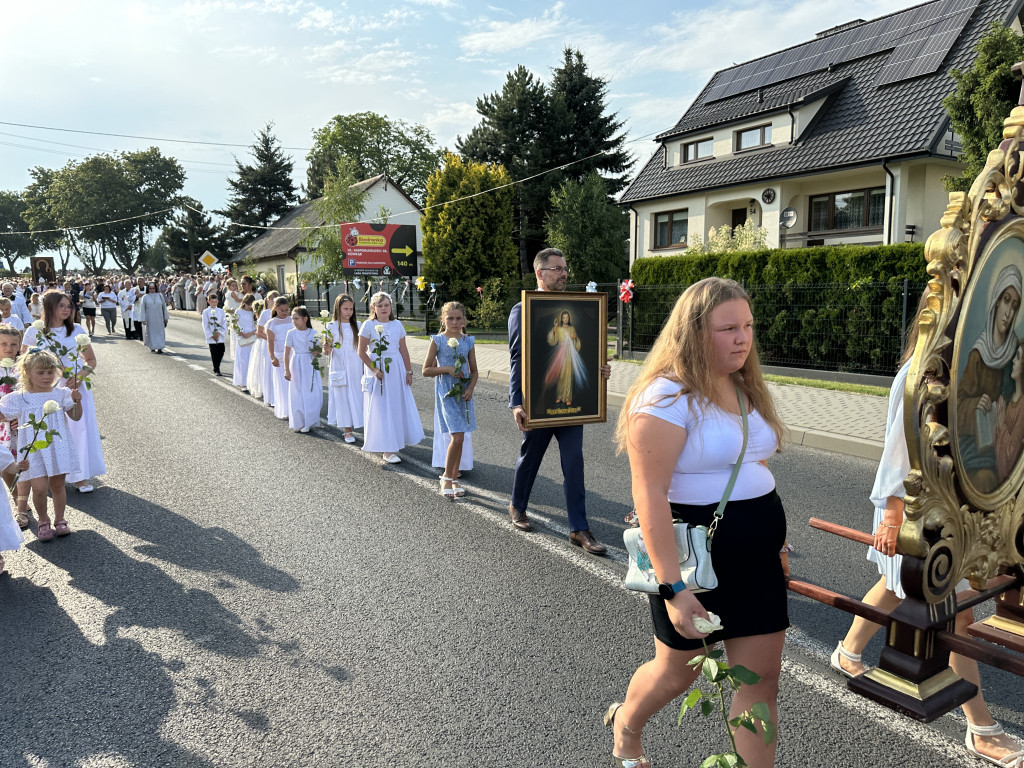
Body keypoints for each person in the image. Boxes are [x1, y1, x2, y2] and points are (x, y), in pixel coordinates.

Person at [833, 298, 1024, 768]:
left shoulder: (979, 372)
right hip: (923, 513)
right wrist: (896, 521)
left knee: (898, 586)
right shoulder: (917, 377)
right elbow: (899, 456)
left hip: (963, 511)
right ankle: (981, 728)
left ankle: (847, 650)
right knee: (953, 615)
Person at [605, 277, 787, 768]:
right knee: (676, 673)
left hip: (757, 562)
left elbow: (752, 465)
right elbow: (649, 495)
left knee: (760, 683)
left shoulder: (744, 387)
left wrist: (776, 544)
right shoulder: (665, 397)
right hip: (693, 561)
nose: (743, 338)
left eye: (747, 326)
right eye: (728, 328)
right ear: (693, 334)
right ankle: (627, 726)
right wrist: (673, 588)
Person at [507, 247, 611, 554]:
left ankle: (579, 529)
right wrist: (516, 402)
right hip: (538, 404)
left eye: (565, 268)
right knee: (531, 458)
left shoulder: (579, 307)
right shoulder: (523, 309)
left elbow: (586, 349)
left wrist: (599, 370)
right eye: (558, 269)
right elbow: (517, 359)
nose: (565, 273)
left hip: (573, 404)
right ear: (541, 273)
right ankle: (517, 505)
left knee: (574, 464)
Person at [23, 291, 106, 493]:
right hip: (46, 389)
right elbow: (24, 363)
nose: (67, 309)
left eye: (69, 306)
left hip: (75, 387)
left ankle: (80, 476)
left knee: (78, 430)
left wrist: (79, 377)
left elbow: (91, 361)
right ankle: (53, 476)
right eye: (62, 305)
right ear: (49, 307)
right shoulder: (35, 331)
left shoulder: (77, 329)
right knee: (50, 431)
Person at [0, 349, 83, 541]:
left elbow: (76, 417)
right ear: (27, 372)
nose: (46, 376)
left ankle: (60, 520)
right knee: (38, 488)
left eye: (50, 371)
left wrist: (77, 401)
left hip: (57, 446)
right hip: (34, 450)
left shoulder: (61, 394)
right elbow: (3, 414)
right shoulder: (19, 397)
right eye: (41, 372)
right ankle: (43, 520)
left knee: (57, 484)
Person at [956, 264, 1022, 493]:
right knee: (983, 480)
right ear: (996, 301)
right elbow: (958, 404)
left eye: (1015, 306)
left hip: (1007, 445)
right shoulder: (978, 354)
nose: (1008, 312)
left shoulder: (1017, 353)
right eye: (1006, 300)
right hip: (977, 447)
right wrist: (977, 405)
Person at [357, 291, 423, 463]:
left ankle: (397, 439)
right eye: (380, 305)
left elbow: (403, 350)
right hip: (378, 368)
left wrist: (408, 371)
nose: (384, 308)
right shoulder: (368, 325)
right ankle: (386, 448)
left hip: (396, 368)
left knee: (395, 404)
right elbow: (361, 351)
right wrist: (374, 369)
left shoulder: (397, 325)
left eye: (386, 305)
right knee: (381, 405)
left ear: (390, 306)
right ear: (373, 308)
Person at [422, 301, 477, 499]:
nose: (454, 322)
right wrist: (446, 369)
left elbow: (474, 370)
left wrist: (470, 387)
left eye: (458, 318)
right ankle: (446, 476)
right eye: (450, 318)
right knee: (457, 436)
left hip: (463, 394)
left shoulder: (468, 341)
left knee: (460, 437)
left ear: (464, 320)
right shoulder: (437, 340)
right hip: (446, 392)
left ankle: (453, 478)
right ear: (443, 320)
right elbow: (426, 370)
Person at [324, 294, 363, 443]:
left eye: (351, 309)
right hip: (339, 365)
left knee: (359, 395)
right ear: (338, 309)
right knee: (343, 397)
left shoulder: (358, 325)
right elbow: (327, 351)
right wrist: (326, 348)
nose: (348, 312)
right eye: (345, 309)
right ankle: (347, 430)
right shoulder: (332, 326)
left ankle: (365, 425)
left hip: (356, 365)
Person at [283, 306, 321, 433]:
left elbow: (317, 352)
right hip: (297, 363)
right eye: (292, 318)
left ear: (305, 319)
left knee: (311, 391)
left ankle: (309, 420)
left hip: (310, 363)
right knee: (297, 392)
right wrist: (286, 370)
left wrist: (317, 350)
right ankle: (299, 421)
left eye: (296, 318)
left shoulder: (313, 333)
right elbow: (286, 353)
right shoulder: (291, 333)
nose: (293, 321)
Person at [266, 297, 293, 420]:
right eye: (282, 310)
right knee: (282, 383)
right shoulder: (272, 323)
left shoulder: (292, 320)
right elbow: (270, 341)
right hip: (279, 353)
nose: (284, 312)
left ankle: (295, 408)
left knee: (294, 381)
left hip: (292, 353)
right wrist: (272, 356)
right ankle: (285, 409)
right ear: (276, 309)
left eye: (286, 310)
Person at [257, 291, 280, 408]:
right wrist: (271, 339)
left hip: (280, 347)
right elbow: (259, 332)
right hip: (268, 346)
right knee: (270, 371)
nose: (273, 300)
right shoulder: (265, 314)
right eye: (271, 299)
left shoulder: (283, 314)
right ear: (267, 300)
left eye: (275, 298)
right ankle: (271, 397)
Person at [232, 294, 258, 390]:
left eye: (251, 305)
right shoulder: (238, 311)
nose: (250, 307)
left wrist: (251, 333)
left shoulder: (254, 313)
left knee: (252, 360)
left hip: (252, 337)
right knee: (243, 361)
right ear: (244, 303)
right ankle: (243, 382)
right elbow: (233, 324)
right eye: (248, 304)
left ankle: (252, 382)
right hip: (242, 338)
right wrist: (240, 332)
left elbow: (257, 326)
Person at [138, 282, 169, 353]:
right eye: (150, 288)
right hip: (150, 317)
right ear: (148, 289)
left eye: (153, 288)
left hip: (159, 317)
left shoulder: (160, 295)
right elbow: (142, 308)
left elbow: (164, 307)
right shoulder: (145, 297)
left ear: (156, 288)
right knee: (151, 332)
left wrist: (165, 317)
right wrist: (143, 319)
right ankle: (152, 346)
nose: (152, 290)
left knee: (160, 332)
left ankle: (160, 347)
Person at [202, 293, 227, 376]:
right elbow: (205, 325)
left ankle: (217, 365)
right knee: (214, 353)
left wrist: (219, 333)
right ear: (209, 301)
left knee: (221, 351)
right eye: (212, 302)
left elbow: (224, 323)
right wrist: (212, 335)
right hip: (212, 336)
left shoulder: (221, 311)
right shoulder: (206, 312)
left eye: (215, 302)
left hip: (219, 334)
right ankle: (216, 368)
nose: (214, 303)